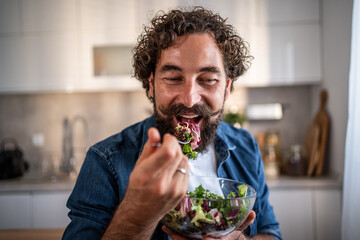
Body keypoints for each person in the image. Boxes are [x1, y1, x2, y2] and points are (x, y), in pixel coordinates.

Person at [62, 7, 282, 240]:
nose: (189, 98)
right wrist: (138, 214)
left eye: (208, 80)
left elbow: (269, 231)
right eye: (173, 79)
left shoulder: (245, 146)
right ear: (151, 85)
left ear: (226, 88)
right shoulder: (105, 161)